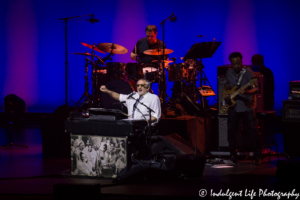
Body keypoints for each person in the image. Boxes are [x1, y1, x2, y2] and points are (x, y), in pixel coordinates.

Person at [222, 52, 261, 164]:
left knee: (253, 131)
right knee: (231, 132)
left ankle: (257, 156)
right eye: (234, 64)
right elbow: (227, 86)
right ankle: (233, 156)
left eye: (239, 63)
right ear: (231, 63)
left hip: (247, 106)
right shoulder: (229, 73)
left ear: (242, 61)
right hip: (234, 106)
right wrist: (225, 94)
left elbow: (256, 88)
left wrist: (248, 91)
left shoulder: (248, 72)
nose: (237, 66)